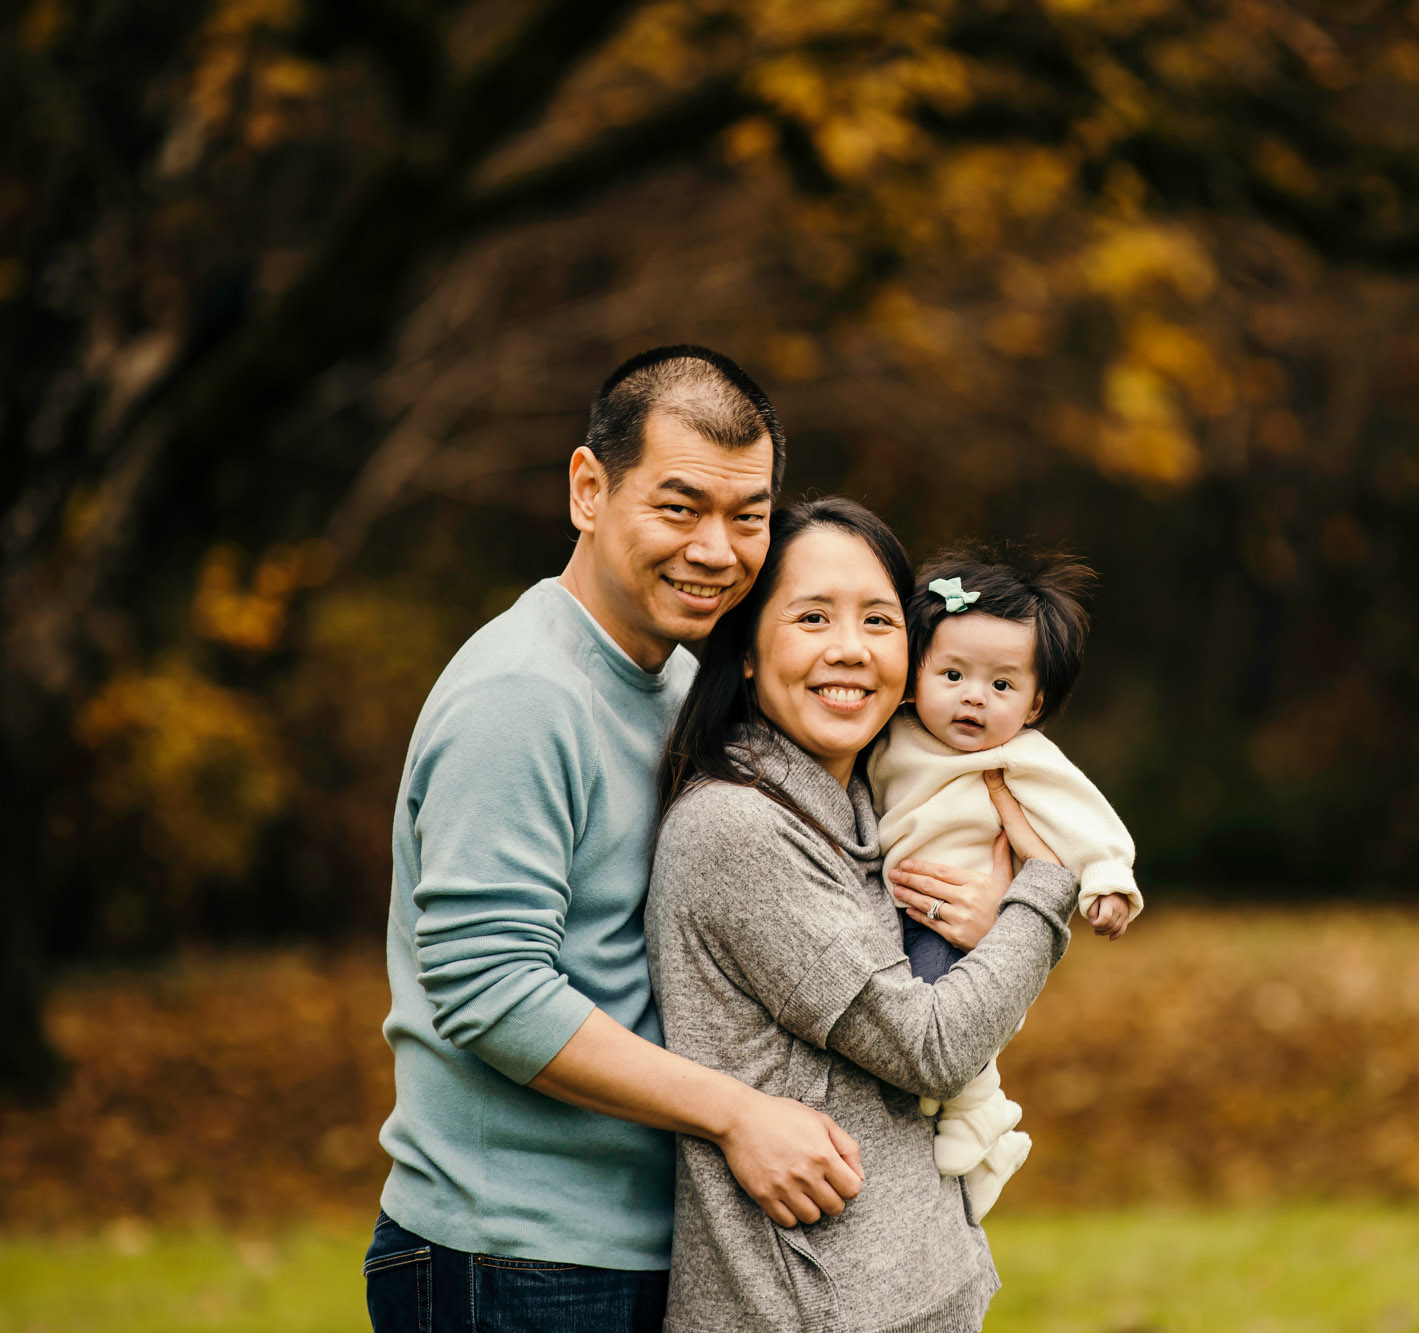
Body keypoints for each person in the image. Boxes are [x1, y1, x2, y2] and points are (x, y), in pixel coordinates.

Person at [366, 347, 866, 1333]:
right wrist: (736, 1113)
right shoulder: (523, 693)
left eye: (747, 514)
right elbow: (491, 991)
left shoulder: (676, 686)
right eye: (678, 508)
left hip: (638, 1245)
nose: (717, 550)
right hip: (512, 1257)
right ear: (588, 490)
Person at [646, 497, 1080, 1332]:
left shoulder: (862, 808)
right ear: (744, 651)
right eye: (812, 616)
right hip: (812, 1308)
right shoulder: (738, 825)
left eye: (879, 619)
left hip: (902, 1294)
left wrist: (992, 921)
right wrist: (1044, 888)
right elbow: (934, 1045)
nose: (849, 648)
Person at [868, 544, 1142, 1221]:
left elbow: (1084, 818)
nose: (973, 697)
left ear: (1036, 702)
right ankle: (982, 1127)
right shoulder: (888, 734)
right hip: (894, 912)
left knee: (936, 1014)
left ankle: (982, 1117)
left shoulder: (1021, 757)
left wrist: (1105, 879)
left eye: (1001, 685)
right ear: (915, 673)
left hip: (961, 928)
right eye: (953, 673)